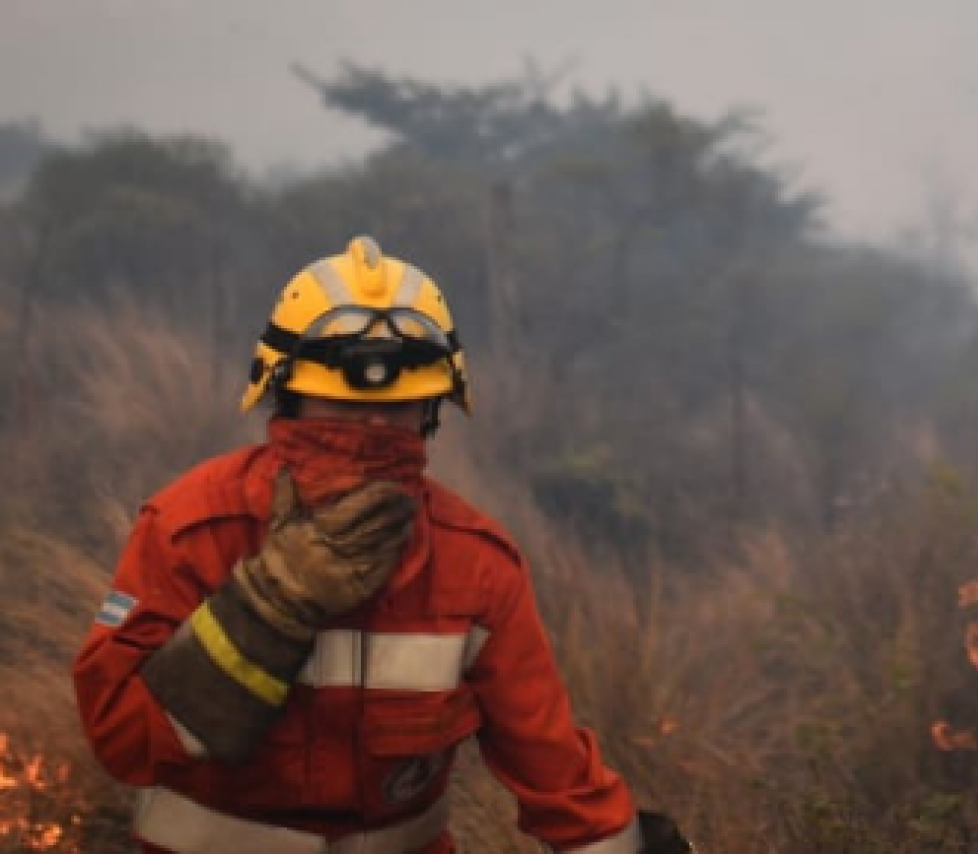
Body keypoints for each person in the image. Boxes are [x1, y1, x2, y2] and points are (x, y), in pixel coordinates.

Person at [73, 235, 692, 854]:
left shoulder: (473, 565)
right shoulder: (194, 528)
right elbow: (121, 742)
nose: (370, 428)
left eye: (396, 409)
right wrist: (264, 611)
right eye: (340, 406)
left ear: (430, 412)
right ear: (285, 394)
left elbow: (552, 769)